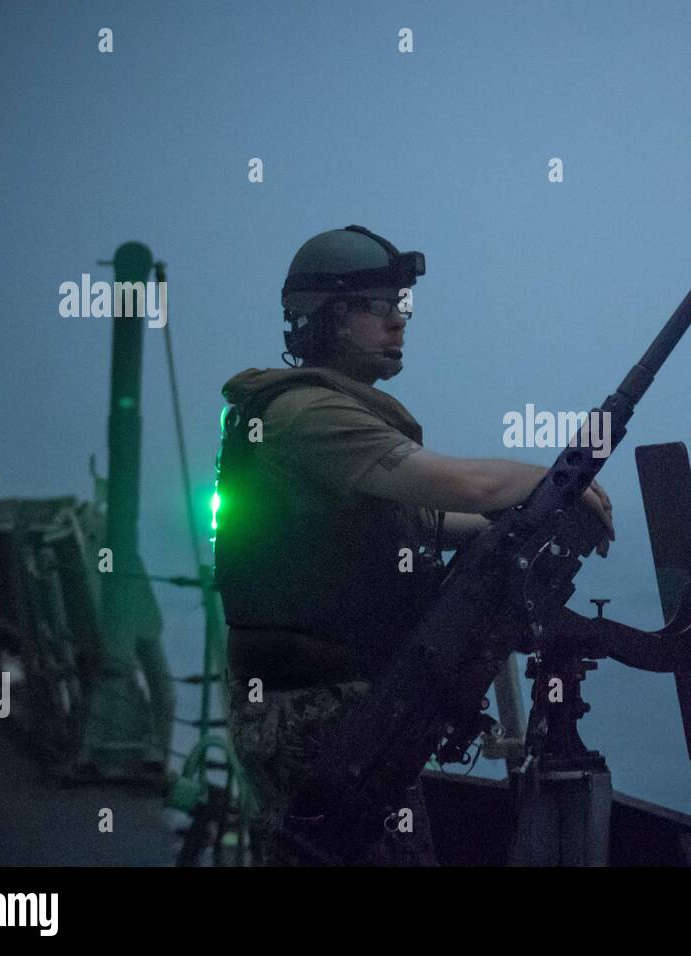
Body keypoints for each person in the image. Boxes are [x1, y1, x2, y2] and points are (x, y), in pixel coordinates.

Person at [214, 226, 614, 865]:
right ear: (329, 317)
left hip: (333, 704)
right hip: (315, 713)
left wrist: (527, 518)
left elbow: (421, 520)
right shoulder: (310, 416)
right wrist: (554, 478)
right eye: (380, 308)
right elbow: (462, 485)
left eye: (403, 306)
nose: (399, 322)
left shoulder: (320, 411)